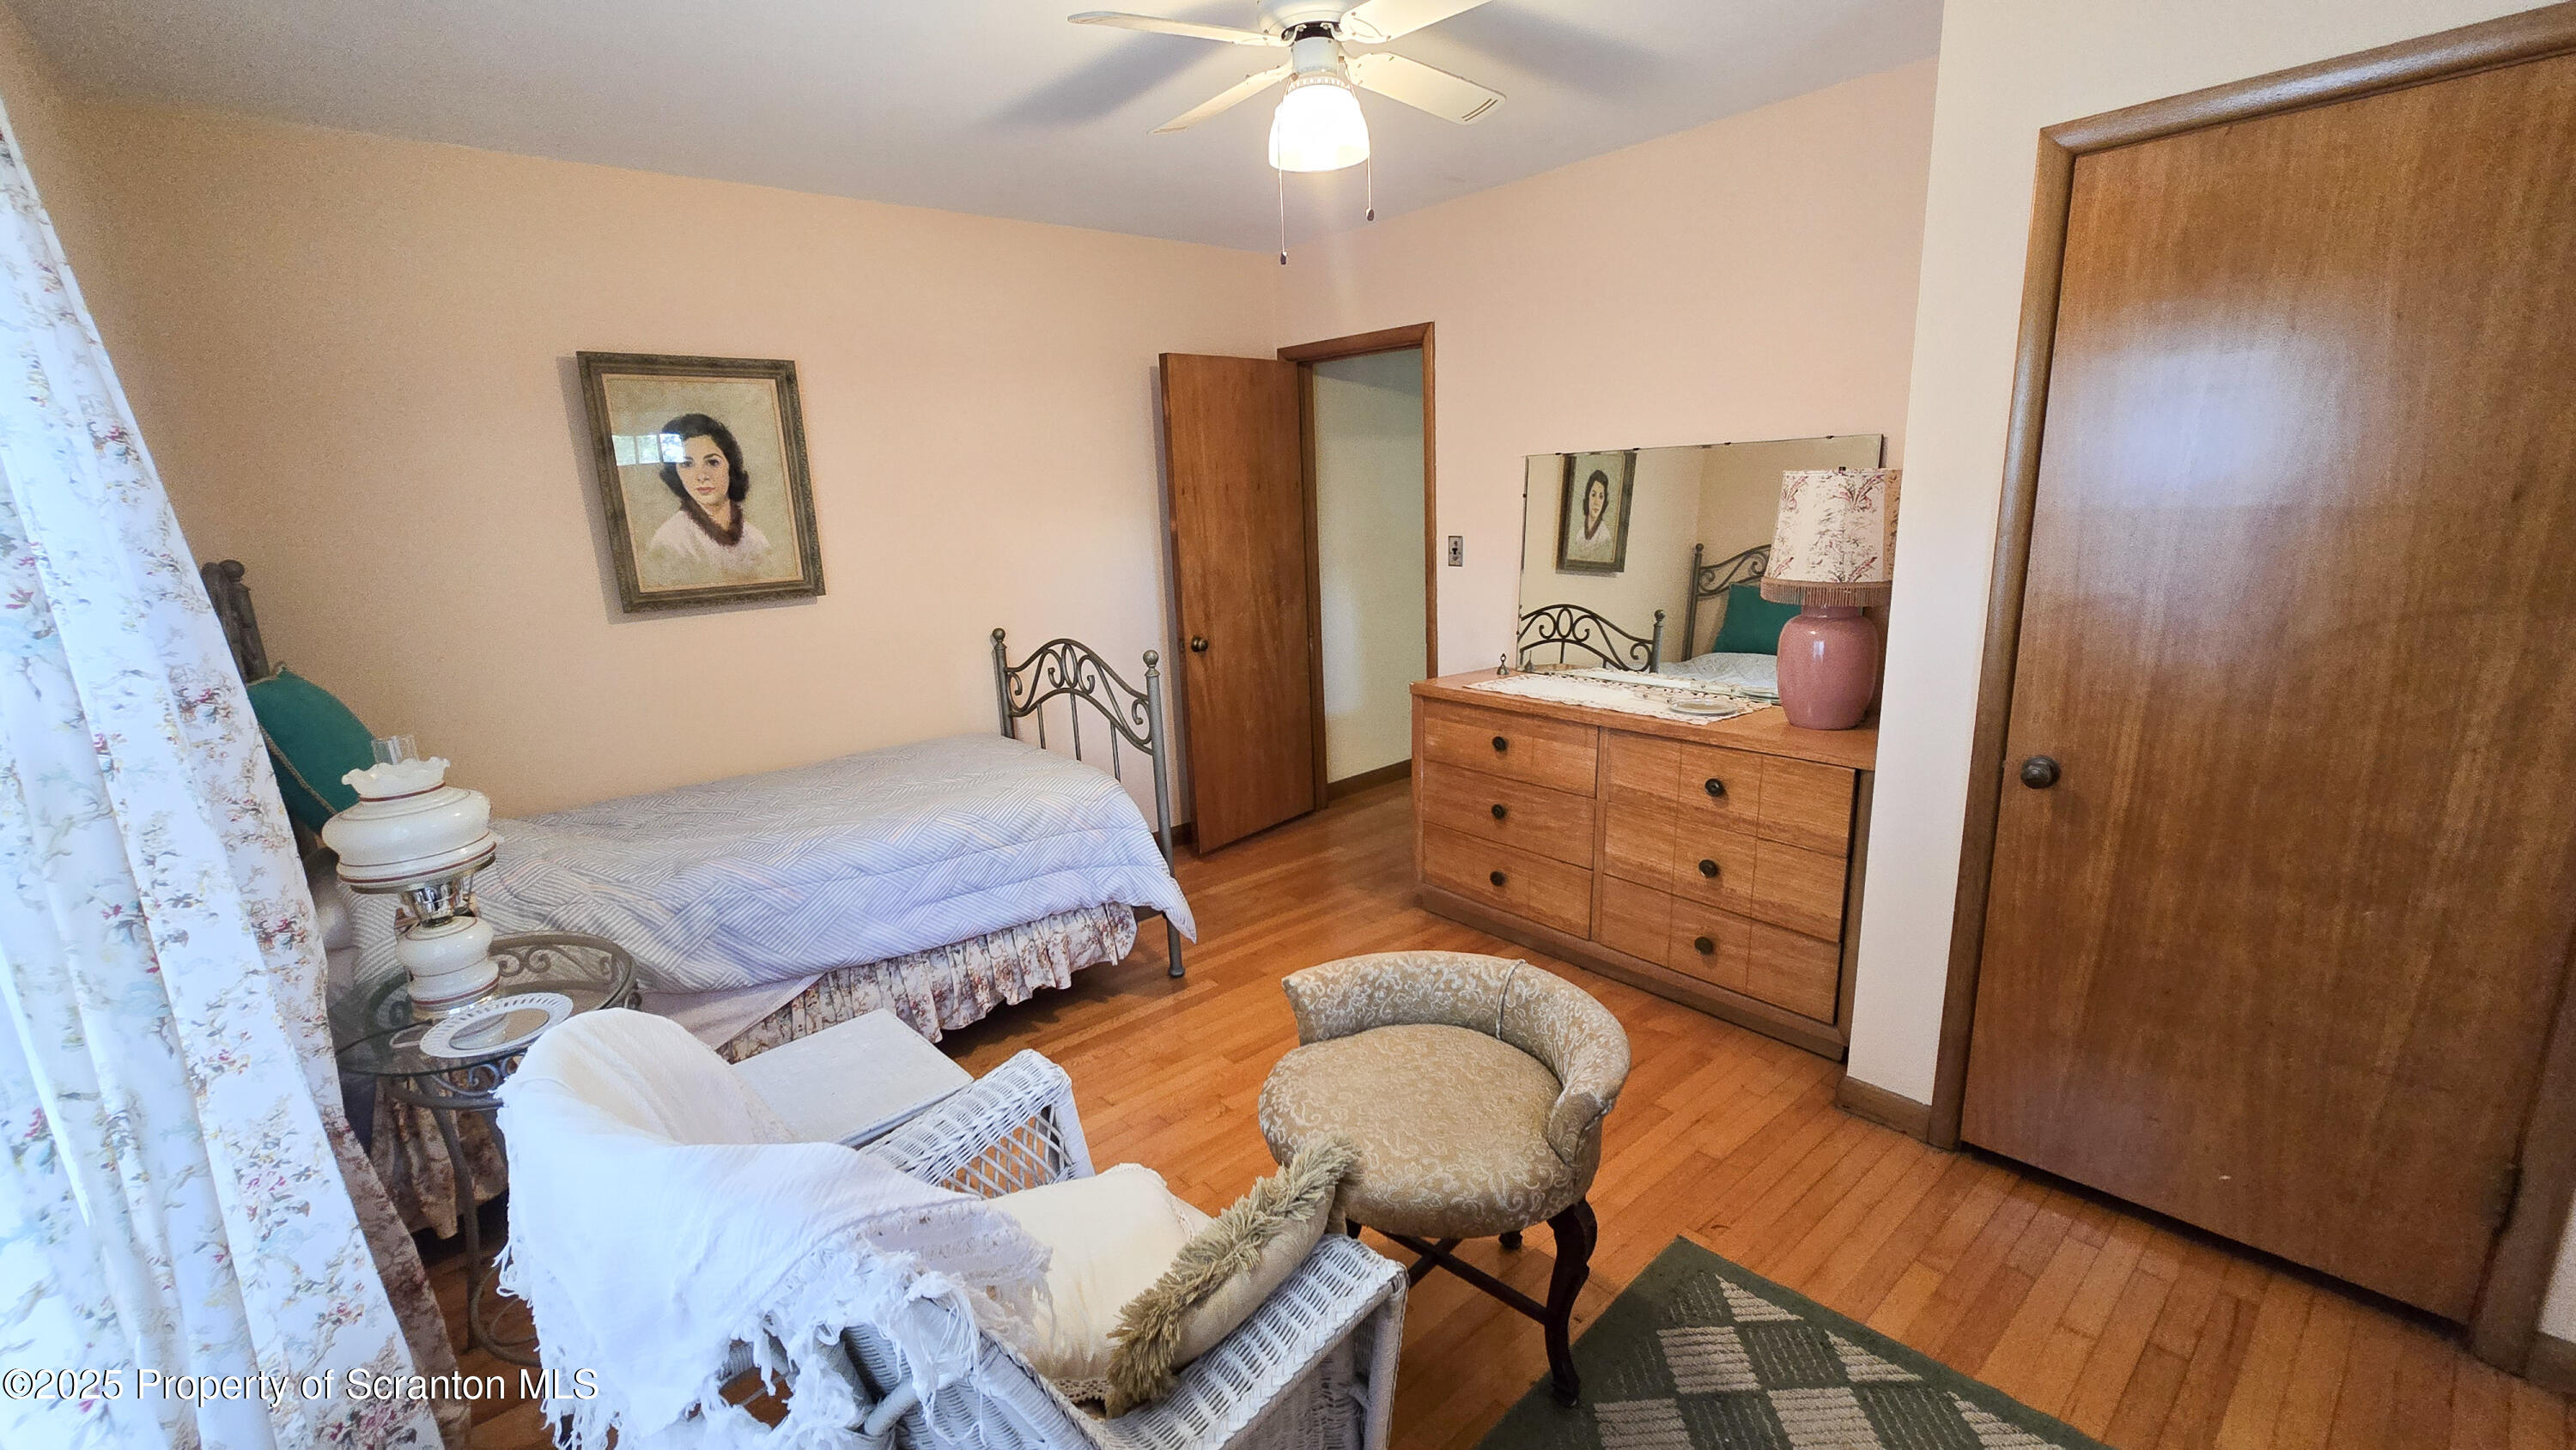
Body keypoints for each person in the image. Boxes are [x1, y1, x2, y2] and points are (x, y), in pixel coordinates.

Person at [641, 413, 775, 582]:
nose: (702, 476)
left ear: (730, 466)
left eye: (712, 462)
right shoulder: (670, 542)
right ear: (676, 473)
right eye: (687, 464)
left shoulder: (756, 540)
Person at [1581, 468, 1612, 543]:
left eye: (1601, 497)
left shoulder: (1605, 537)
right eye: (1593, 495)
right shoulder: (1580, 535)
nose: (1597, 502)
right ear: (1588, 497)